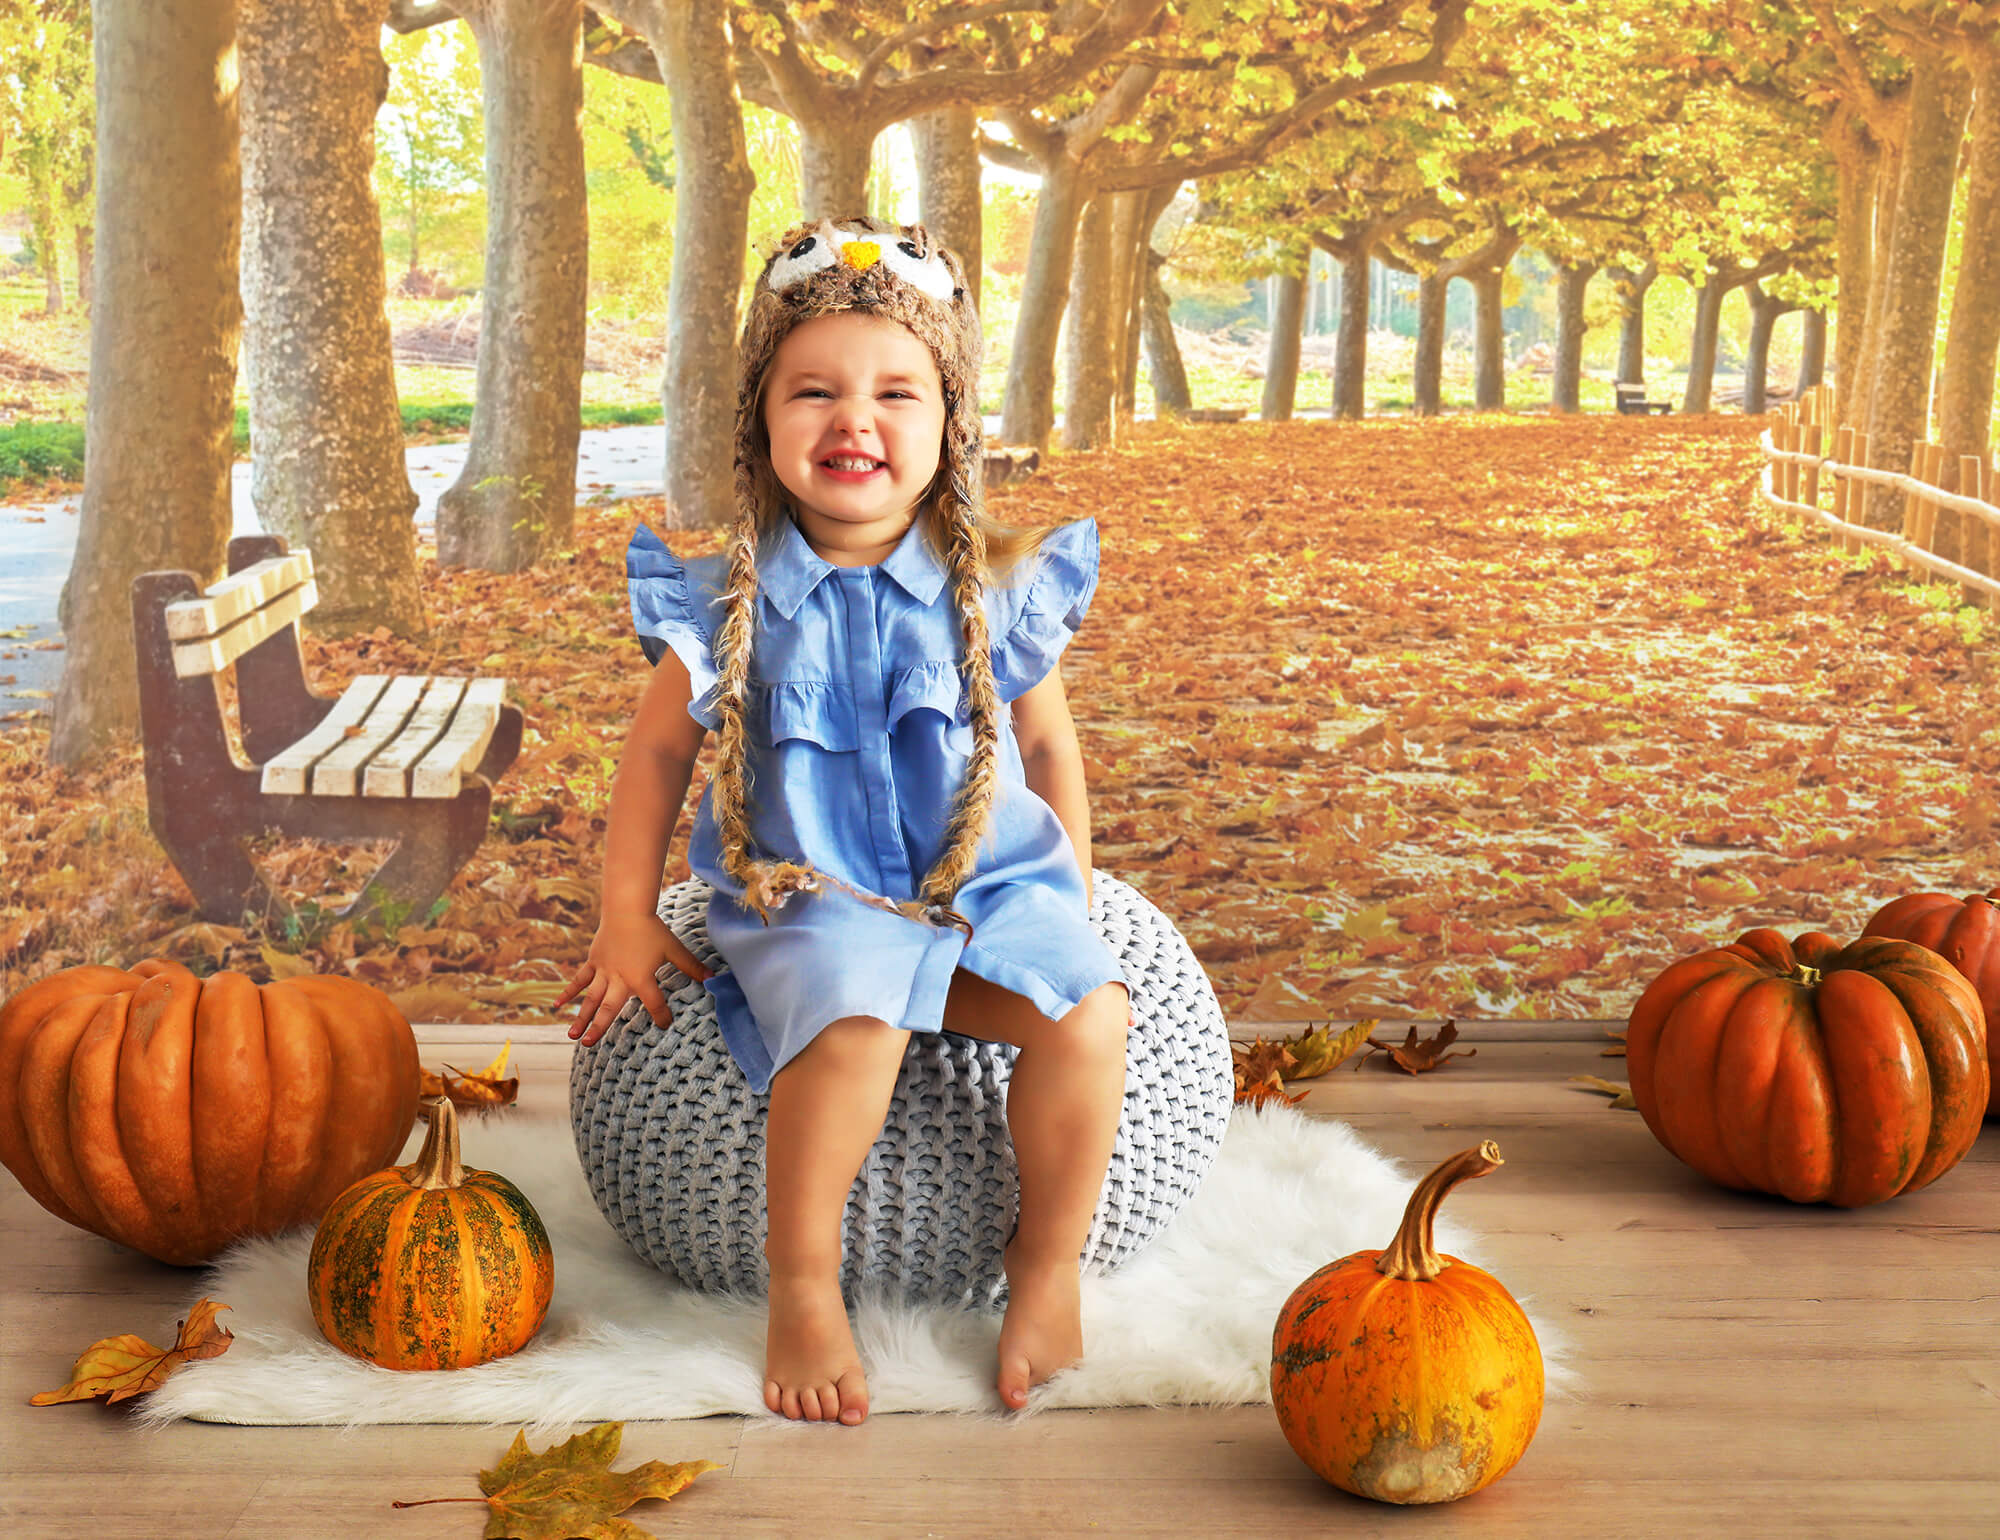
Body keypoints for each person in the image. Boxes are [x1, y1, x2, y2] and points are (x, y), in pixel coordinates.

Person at [555, 215, 1131, 1427]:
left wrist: (1066, 891)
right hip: (814, 889)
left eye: (895, 392)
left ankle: (1045, 1262)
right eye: (812, 389)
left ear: (948, 423)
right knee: (858, 1020)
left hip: (978, 885)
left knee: (1089, 1012)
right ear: (762, 422)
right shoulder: (731, 598)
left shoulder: (1000, 583)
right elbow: (659, 751)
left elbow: (1042, 744)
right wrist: (622, 912)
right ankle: (803, 1282)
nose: (852, 420)